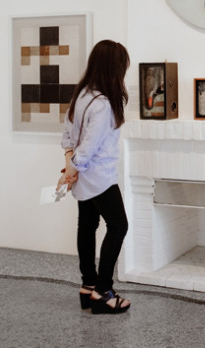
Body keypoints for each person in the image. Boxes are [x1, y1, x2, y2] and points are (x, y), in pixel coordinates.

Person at [58, 40, 131, 314]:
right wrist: (72, 168)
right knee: (119, 225)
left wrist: (70, 166)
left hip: (82, 175)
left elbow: (68, 136)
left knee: (87, 225)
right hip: (99, 176)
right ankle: (103, 292)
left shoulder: (81, 94)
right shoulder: (103, 103)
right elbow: (89, 146)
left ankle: (88, 286)